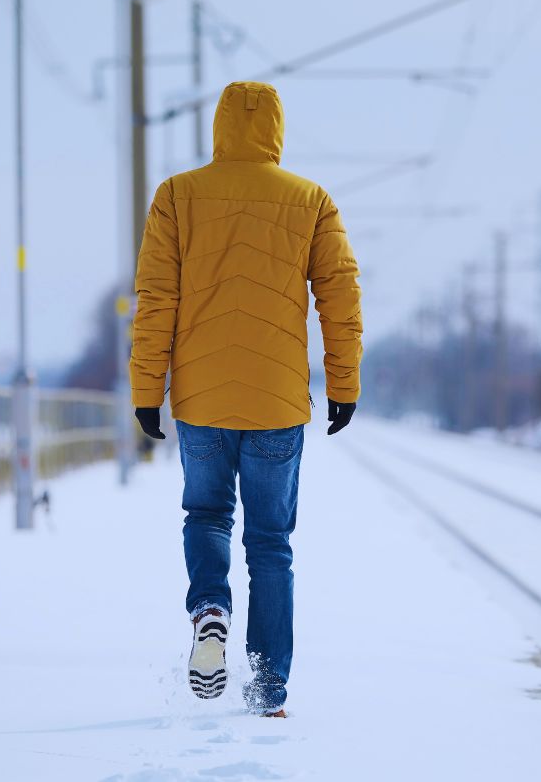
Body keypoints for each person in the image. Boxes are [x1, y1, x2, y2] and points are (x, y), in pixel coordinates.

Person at [129, 81, 363, 718]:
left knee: (206, 517)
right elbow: (339, 297)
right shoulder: (310, 200)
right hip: (278, 403)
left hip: (200, 399)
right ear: (277, 130)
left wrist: (147, 390)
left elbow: (156, 301)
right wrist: (343, 384)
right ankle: (268, 691)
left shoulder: (177, 196)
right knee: (270, 545)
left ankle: (210, 611)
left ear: (219, 127)